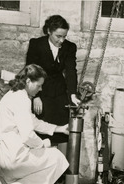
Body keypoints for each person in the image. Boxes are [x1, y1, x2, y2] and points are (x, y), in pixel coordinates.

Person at [0, 64, 70, 184]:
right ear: (28, 81)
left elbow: (33, 122)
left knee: (38, 156)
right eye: (39, 85)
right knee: (58, 158)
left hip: (0, 158)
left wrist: (59, 128)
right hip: (13, 158)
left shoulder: (12, 95)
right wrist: (43, 145)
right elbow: (28, 135)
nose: (40, 89)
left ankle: (0, 183)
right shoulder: (22, 99)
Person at [26, 15, 80, 145]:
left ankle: (59, 161)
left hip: (60, 92)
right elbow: (31, 71)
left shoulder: (69, 47)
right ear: (49, 31)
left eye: (64, 36)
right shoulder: (36, 44)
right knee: (43, 131)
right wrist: (36, 97)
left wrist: (72, 94)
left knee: (62, 131)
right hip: (42, 91)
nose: (61, 40)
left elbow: (71, 71)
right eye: (58, 36)